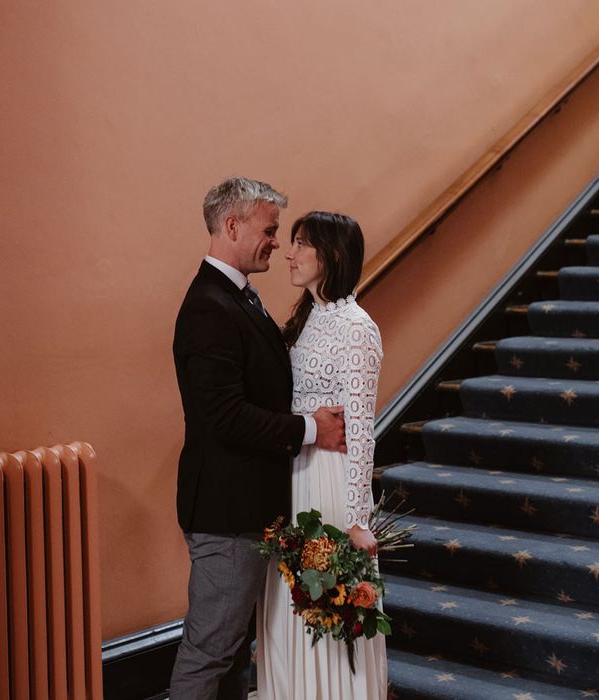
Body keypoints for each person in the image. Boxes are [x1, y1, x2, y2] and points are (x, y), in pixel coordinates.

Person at [170, 178, 348, 700]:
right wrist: (314, 428)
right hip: (227, 512)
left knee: (231, 653)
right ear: (232, 225)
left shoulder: (238, 297)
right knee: (210, 651)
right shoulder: (209, 305)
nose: (277, 241)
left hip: (248, 506)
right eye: (269, 230)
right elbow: (226, 416)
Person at [256, 211, 387, 699]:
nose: (289, 253)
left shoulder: (356, 327)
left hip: (330, 482)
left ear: (331, 255)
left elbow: (362, 430)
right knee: (290, 604)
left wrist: (356, 517)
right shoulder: (309, 318)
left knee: (326, 601)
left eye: (300, 243)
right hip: (297, 473)